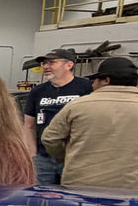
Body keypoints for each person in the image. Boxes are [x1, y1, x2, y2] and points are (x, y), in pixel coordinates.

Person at [41, 57, 138, 191]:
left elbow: (50, 138)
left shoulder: (77, 106)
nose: (92, 84)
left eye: (94, 80)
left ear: (106, 80)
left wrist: (67, 158)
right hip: (127, 190)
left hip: (77, 188)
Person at [23, 48, 92, 185]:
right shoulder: (38, 91)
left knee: (73, 197)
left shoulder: (86, 88)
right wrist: (33, 155)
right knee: (40, 198)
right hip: (43, 159)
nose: (46, 67)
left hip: (73, 157)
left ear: (69, 65)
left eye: (52, 63)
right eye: (44, 63)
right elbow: (29, 126)